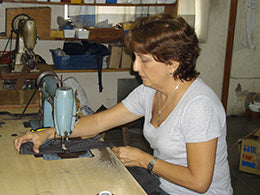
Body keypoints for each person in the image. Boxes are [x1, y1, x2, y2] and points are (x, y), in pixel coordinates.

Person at [14, 14, 233, 195]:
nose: (135, 67)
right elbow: (100, 121)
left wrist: (146, 160)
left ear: (172, 64)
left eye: (144, 60)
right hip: (162, 185)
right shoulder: (150, 91)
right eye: (135, 57)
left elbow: (199, 182)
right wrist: (49, 133)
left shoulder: (199, 106)